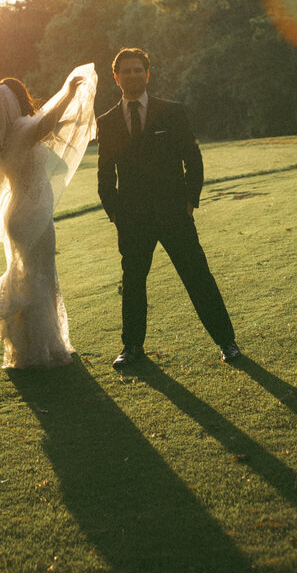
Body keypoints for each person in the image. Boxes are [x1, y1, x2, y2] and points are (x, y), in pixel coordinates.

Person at [96, 47, 240, 370]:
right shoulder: (107, 121)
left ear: (147, 74)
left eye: (138, 70)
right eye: (126, 71)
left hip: (174, 214)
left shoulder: (171, 111)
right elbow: (105, 173)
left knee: (198, 277)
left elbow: (193, 160)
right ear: (116, 77)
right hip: (132, 219)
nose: (132, 75)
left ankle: (227, 342)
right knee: (133, 283)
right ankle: (132, 347)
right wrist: (116, 213)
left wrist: (190, 202)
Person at [0, 63, 97, 369]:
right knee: (41, 279)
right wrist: (68, 92)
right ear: (19, 97)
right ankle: (43, 351)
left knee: (26, 278)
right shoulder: (25, 130)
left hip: (15, 216)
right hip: (34, 214)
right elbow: (48, 122)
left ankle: (25, 350)